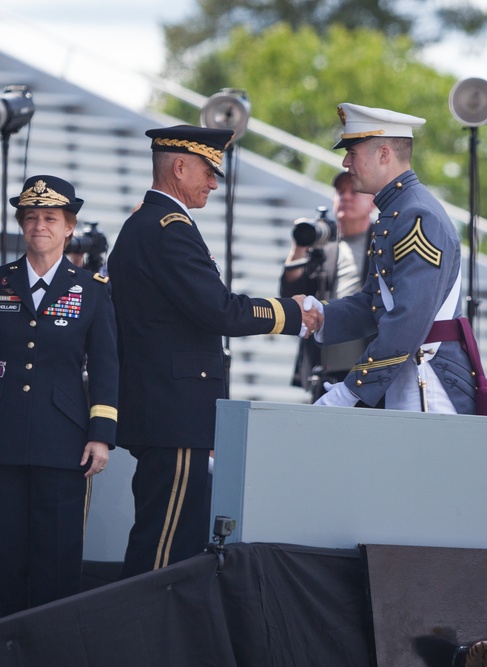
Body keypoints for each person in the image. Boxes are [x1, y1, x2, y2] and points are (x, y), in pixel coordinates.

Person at [108, 125, 321, 578]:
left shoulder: (148, 223)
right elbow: (219, 311)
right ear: (180, 167)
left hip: (169, 412)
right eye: (208, 171)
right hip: (174, 415)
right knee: (162, 556)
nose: (212, 183)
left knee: (169, 542)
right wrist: (291, 313)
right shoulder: (168, 229)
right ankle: (144, 643)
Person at [0, 175, 118, 620]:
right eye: (31, 217)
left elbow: (106, 368)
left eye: (50, 217)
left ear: (69, 227)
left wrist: (100, 435)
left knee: (57, 569)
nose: (39, 225)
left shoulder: (93, 290)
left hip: (63, 444)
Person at [309, 103, 487, 415]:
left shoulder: (416, 215)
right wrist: (320, 316)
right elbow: (375, 304)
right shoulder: (399, 211)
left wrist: (352, 389)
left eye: (353, 153)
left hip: (428, 376)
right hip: (410, 370)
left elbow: (409, 318)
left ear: (383, 154)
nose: (345, 162)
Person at [280, 171, 377, 398]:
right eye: (340, 192)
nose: (346, 197)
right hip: (324, 372)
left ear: (373, 202)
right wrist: (299, 246)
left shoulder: (383, 241)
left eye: (354, 191)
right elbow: (291, 295)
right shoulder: (323, 246)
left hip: (370, 372)